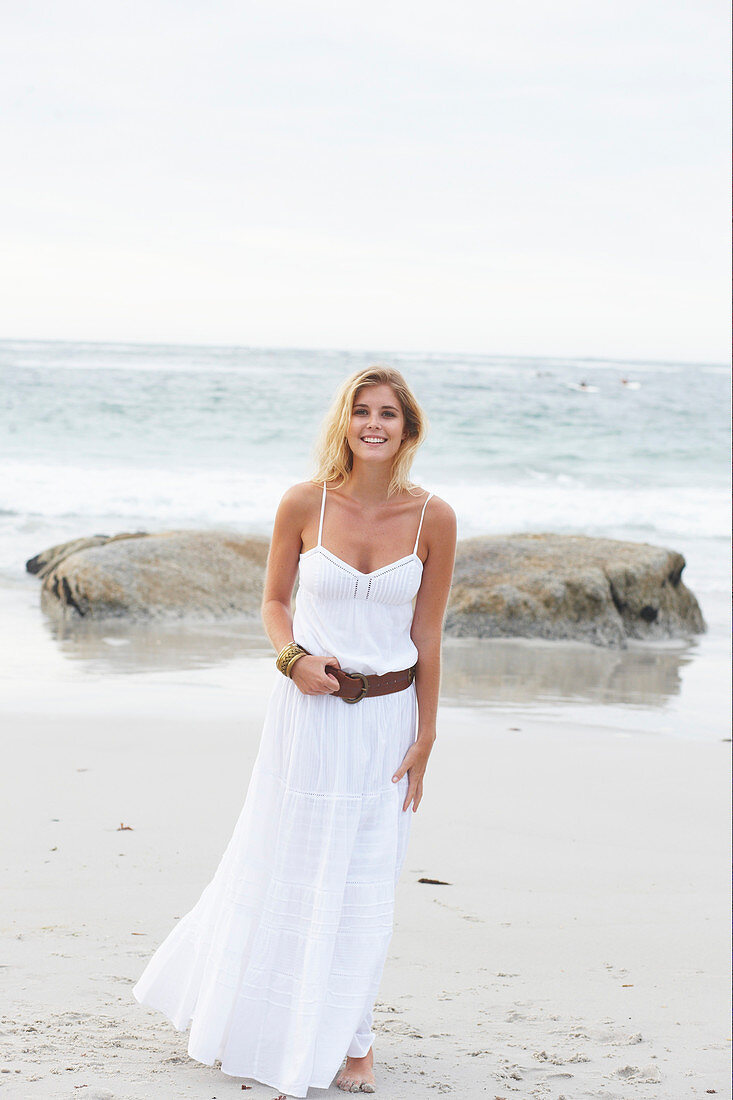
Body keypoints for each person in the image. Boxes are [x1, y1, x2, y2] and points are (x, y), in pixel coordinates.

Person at [132, 365, 457, 1097]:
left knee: (363, 880)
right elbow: (274, 601)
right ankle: (265, 1018)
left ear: (408, 429)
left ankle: (355, 1042)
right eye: (361, 412)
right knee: (289, 861)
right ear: (345, 422)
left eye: (389, 415)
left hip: (387, 721)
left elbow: (429, 638)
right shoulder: (302, 504)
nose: (374, 425)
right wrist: (293, 660)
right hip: (306, 716)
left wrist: (427, 735)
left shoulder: (433, 516)